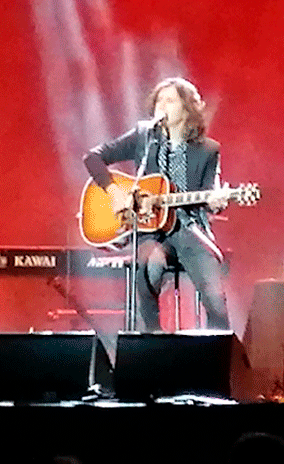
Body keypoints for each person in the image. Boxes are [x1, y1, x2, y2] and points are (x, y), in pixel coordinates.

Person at [84, 77, 230, 331]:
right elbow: (93, 158)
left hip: (189, 229)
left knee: (215, 298)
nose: (162, 105)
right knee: (149, 270)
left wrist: (216, 202)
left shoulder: (208, 150)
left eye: (170, 100)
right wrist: (115, 192)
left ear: (187, 109)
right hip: (149, 231)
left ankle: (217, 350)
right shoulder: (144, 136)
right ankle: (152, 342)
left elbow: (210, 196)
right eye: (159, 100)